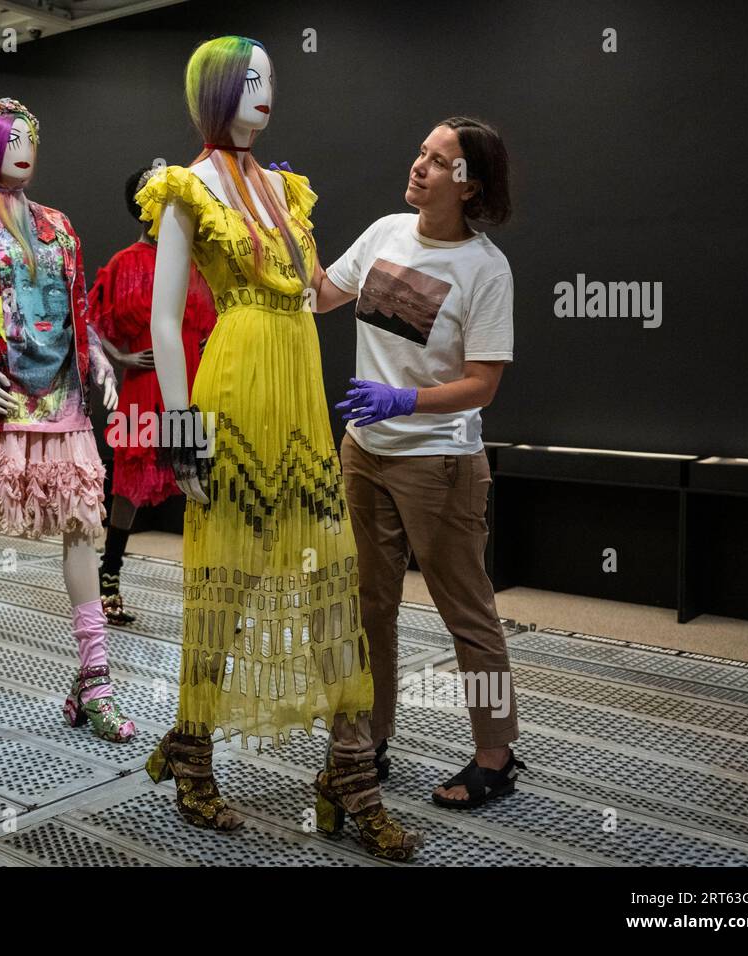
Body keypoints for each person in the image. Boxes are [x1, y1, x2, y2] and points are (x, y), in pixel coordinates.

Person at [141, 36, 421, 859]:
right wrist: (180, 432)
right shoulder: (186, 187)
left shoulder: (283, 189)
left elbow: (313, 291)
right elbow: (165, 320)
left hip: (299, 399)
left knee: (333, 584)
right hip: (232, 393)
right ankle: (194, 757)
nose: (266, 94)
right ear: (217, 90)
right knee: (224, 585)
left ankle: (348, 776)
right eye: (251, 81)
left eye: (272, 81)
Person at [315, 116, 524, 809]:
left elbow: (483, 382)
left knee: (468, 614)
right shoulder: (384, 233)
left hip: (440, 464)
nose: (419, 167)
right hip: (365, 454)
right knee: (369, 606)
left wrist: (404, 397)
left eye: (439, 162)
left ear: (469, 185)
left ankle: (495, 755)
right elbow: (319, 294)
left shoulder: (484, 269)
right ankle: (370, 739)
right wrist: (279, 214)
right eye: (422, 154)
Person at [0, 98, 133, 744]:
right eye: (11, 140)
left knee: (80, 530)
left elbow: (79, 307)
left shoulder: (61, 228)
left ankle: (94, 678)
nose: (24, 149)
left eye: (31, 137)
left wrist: (100, 366)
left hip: (62, 401)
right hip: (3, 401)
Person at [90, 165, 217, 626]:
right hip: (143, 389)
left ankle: (210, 595)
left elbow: (217, 316)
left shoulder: (196, 261)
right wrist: (121, 359)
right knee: (127, 487)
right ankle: (109, 580)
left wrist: (213, 342)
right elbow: (88, 322)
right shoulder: (124, 263)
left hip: (193, 386)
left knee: (202, 485)